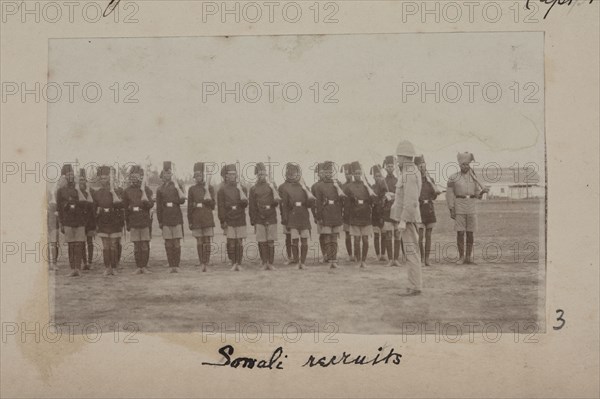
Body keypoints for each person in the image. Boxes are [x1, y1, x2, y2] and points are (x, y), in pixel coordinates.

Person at [390, 141, 423, 295]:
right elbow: (405, 197)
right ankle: (414, 285)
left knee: (411, 253)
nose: (397, 160)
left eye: (398, 156)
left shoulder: (409, 174)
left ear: (404, 157)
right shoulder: (409, 172)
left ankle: (415, 286)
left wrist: (403, 220)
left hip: (408, 220)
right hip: (408, 218)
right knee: (410, 252)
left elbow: (411, 200)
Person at [446, 152, 488, 264]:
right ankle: (461, 257)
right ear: (459, 165)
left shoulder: (474, 178)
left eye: (467, 164)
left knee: (470, 232)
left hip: (471, 206)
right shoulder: (453, 177)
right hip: (459, 205)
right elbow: (449, 194)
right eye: (463, 164)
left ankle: (468, 257)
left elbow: (477, 195)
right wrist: (451, 208)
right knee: (460, 232)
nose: (466, 166)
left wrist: (482, 192)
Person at [279, 163, 314, 270]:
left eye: (295, 174)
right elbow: (284, 206)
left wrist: (305, 189)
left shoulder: (305, 187)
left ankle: (303, 262)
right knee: (294, 240)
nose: (293, 176)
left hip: (303, 216)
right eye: (291, 174)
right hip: (292, 217)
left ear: (298, 174)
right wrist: (285, 220)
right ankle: (296, 261)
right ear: (287, 174)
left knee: (304, 240)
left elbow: (310, 204)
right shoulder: (285, 188)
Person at [56, 164, 89, 277]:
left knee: (79, 244)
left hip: (79, 221)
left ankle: (78, 268)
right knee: (71, 245)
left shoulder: (79, 188)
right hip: (68, 221)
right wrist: (61, 223)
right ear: (64, 176)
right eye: (68, 175)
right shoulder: (60, 190)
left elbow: (85, 203)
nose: (70, 177)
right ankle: (72, 269)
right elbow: (59, 209)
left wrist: (78, 190)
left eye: (72, 174)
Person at [344, 161, 378, 268]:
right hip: (354, 215)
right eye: (356, 173)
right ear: (353, 174)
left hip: (365, 216)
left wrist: (368, 189)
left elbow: (374, 200)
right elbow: (347, 204)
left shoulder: (366, 186)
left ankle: (364, 260)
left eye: (360, 173)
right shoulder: (349, 187)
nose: (358, 175)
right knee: (357, 240)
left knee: (365, 239)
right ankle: (358, 260)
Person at [92, 166, 124, 276]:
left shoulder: (118, 190)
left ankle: (114, 267)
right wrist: (96, 219)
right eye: (101, 178)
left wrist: (113, 192)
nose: (103, 180)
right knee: (106, 246)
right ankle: (107, 267)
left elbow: (121, 205)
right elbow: (94, 210)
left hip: (114, 221)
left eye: (105, 178)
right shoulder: (97, 193)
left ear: (109, 178)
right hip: (103, 222)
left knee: (114, 246)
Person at [123, 165, 155, 274]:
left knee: (144, 244)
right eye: (132, 176)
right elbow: (125, 209)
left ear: (140, 177)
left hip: (144, 221)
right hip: (134, 220)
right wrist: (127, 223)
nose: (134, 178)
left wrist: (144, 195)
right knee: (136, 245)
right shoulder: (127, 191)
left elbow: (150, 205)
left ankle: (144, 266)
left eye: (136, 176)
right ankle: (138, 266)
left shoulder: (147, 190)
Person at [313, 161, 345, 269]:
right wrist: (319, 217)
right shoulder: (319, 186)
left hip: (336, 213)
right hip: (325, 213)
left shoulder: (338, 184)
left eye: (330, 171)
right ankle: (328, 258)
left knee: (334, 237)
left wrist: (337, 187)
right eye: (326, 171)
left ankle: (334, 260)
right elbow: (318, 203)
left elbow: (342, 200)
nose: (328, 173)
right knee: (327, 236)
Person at [217, 164, 249, 271]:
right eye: (229, 174)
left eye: (234, 174)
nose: (232, 176)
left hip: (240, 217)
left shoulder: (242, 188)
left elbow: (245, 204)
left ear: (236, 175)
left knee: (239, 241)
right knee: (231, 242)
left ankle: (239, 263)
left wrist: (240, 190)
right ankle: (233, 262)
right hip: (229, 218)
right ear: (226, 176)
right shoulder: (222, 190)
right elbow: (221, 206)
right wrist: (222, 220)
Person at [156, 161, 186, 273]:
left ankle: (176, 265)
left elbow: (182, 200)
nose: (167, 175)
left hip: (176, 216)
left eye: (169, 173)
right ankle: (170, 265)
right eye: (165, 173)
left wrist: (178, 188)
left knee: (176, 242)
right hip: (165, 217)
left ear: (171, 174)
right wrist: (160, 221)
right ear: (162, 175)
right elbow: (158, 206)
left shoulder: (177, 186)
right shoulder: (160, 189)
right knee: (168, 242)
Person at [249, 162, 279, 270]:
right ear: (257, 175)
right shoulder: (253, 189)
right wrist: (253, 220)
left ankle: (270, 263)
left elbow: (277, 202)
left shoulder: (271, 186)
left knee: (270, 240)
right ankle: (264, 262)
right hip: (259, 216)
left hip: (271, 215)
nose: (262, 176)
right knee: (261, 241)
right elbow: (252, 206)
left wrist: (274, 188)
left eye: (263, 174)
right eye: (260, 174)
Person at [187, 162, 216, 272]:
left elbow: (213, 205)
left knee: (207, 240)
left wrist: (207, 196)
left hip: (207, 217)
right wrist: (190, 221)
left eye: (200, 175)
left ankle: (207, 261)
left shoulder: (210, 188)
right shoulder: (192, 189)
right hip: (196, 218)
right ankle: (201, 261)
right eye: (196, 175)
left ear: (203, 176)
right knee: (199, 240)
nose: (198, 177)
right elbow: (190, 206)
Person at [377, 155, 403, 267]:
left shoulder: (398, 180)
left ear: (394, 167)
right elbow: (378, 198)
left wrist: (395, 196)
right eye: (388, 166)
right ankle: (390, 259)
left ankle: (396, 259)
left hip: (397, 211)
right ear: (385, 168)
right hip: (387, 211)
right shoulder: (382, 182)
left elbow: (402, 194)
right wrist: (384, 196)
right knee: (388, 234)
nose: (390, 168)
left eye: (392, 166)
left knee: (397, 234)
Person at [415, 156, 440, 266]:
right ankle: (420, 258)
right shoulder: (414, 180)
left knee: (428, 235)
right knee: (420, 236)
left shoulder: (430, 180)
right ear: (416, 167)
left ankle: (427, 259)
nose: (422, 167)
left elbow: (434, 196)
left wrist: (434, 189)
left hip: (429, 209)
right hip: (419, 209)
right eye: (419, 165)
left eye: (423, 165)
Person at [78, 168, 96, 270]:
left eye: (83, 180)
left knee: (90, 241)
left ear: (86, 181)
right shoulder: (76, 192)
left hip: (90, 221)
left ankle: (90, 261)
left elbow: (94, 206)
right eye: (80, 180)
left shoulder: (91, 192)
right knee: (81, 242)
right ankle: (84, 262)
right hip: (80, 221)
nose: (82, 182)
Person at [278, 166, 295, 265]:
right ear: (285, 175)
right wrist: (284, 217)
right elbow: (281, 205)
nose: (291, 176)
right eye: (289, 174)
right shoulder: (282, 187)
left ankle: (296, 256)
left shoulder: (298, 185)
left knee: (296, 237)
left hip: (297, 215)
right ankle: (289, 256)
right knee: (288, 237)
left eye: (292, 174)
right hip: (286, 214)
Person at [370, 165, 386, 262]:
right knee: (376, 235)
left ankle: (383, 254)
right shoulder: (372, 187)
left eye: (379, 176)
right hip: (375, 213)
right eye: (376, 176)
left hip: (384, 213)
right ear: (373, 177)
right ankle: (377, 254)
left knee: (384, 234)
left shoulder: (385, 187)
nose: (378, 178)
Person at [340, 163, 355, 262]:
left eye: (349, 174)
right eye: (346, 174)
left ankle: (358, 254)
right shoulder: (343, 186)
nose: (347, 176)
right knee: (348, 234)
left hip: (357, 213)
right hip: (346, 213)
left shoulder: (356, 185)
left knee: (358, 235)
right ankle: (350, 255)